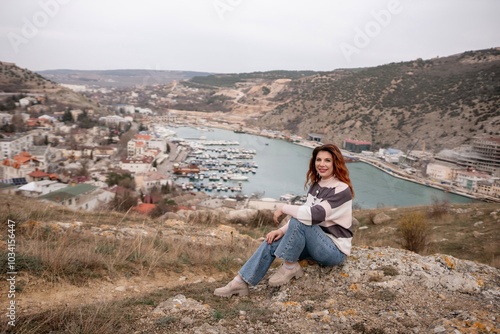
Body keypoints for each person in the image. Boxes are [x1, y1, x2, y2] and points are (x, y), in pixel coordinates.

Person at [214, 143, 354, 297]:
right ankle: (239, 282)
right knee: (272, 240)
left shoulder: (341, 189)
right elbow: (304, 215)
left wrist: (284, 208)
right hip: (314, 244)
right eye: (318, 159)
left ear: (336, 162)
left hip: (333, 251)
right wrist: (280, 231)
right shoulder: (316, 185)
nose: (322, 164)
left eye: (327, 160)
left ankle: (289, 267)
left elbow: (315, 215)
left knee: (301, 220)